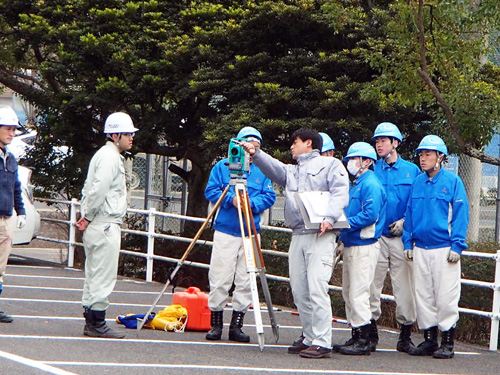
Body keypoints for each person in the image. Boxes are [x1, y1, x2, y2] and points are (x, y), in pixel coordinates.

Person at [242, 128, 349, 359]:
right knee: (300, 290)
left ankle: (322, 341)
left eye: (295, 142)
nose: (291, 146)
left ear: (308, 143)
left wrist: (329, 218)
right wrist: (255, 153)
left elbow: (341, 192)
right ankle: (310, 337)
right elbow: (274, 167)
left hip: (321, 234)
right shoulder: (292, 170)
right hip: (298, 234)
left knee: (317, 287)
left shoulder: (332, 165)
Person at [204, 126, 276, 343]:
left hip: (251, 232)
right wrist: (231, 200)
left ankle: (237, 325)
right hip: (226, 230)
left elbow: (269, 196)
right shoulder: (222, 166)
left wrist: (251, 204)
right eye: (247, 145)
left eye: (255, 146)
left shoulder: (263, 171)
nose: (251, 150)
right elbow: (211, 190)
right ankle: (215, 323)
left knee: (246, 279)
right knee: (219, 277)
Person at [403, 135, 469, 359]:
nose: (423, 158)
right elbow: (409, 214)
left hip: (444, 248)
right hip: (420, 247)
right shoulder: (418, 182)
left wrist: (457, 245)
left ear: (440, 157)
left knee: (446, 295)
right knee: (423, 295)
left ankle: (448, 341)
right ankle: (429, 339)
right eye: (421, 154)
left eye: (428, 154)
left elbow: (461, 216)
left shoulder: (452, 182)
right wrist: (407, 241)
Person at [76, 112, 138, 338]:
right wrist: (90, 215)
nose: (131, 137)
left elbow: (90, 189)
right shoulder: (110, 157)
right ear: (115, 135)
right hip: (105, 223)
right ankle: (97, 322)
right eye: (127, 133)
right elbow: (98, 190)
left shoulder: (105, 155)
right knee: (103, 274)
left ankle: (91, 320)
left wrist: (87, 215)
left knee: (93, 274)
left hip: (98, 223)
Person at [369, 122, 421, 352]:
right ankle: (369, 333)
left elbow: (417, 202)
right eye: (377, 141)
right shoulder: (372, 169)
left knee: (405, 287)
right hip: (376, 236)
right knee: (371, 284)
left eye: (383, 140)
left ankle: (405, 336)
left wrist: (405, 223)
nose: (379, 145)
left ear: (395, 143)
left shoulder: (412, 170)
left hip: (402, 239)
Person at [334, 142, 386, 356]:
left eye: (353, 160)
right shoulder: (360, 183)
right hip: (353, 243)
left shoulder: (370, 184)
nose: (350, 164)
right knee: (350, 291)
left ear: (366, 162)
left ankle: (362, 339)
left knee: (358, 292)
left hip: (364, 245)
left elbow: (369, 215)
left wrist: (343, 223)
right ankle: (359, 335)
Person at [0, 106, 26, 323]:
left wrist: (21, 211)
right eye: (8, 129)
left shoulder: (11, 158)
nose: (12, 133)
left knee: (1, 266)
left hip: (6, 217)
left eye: (13, 130)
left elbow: (16, 187)